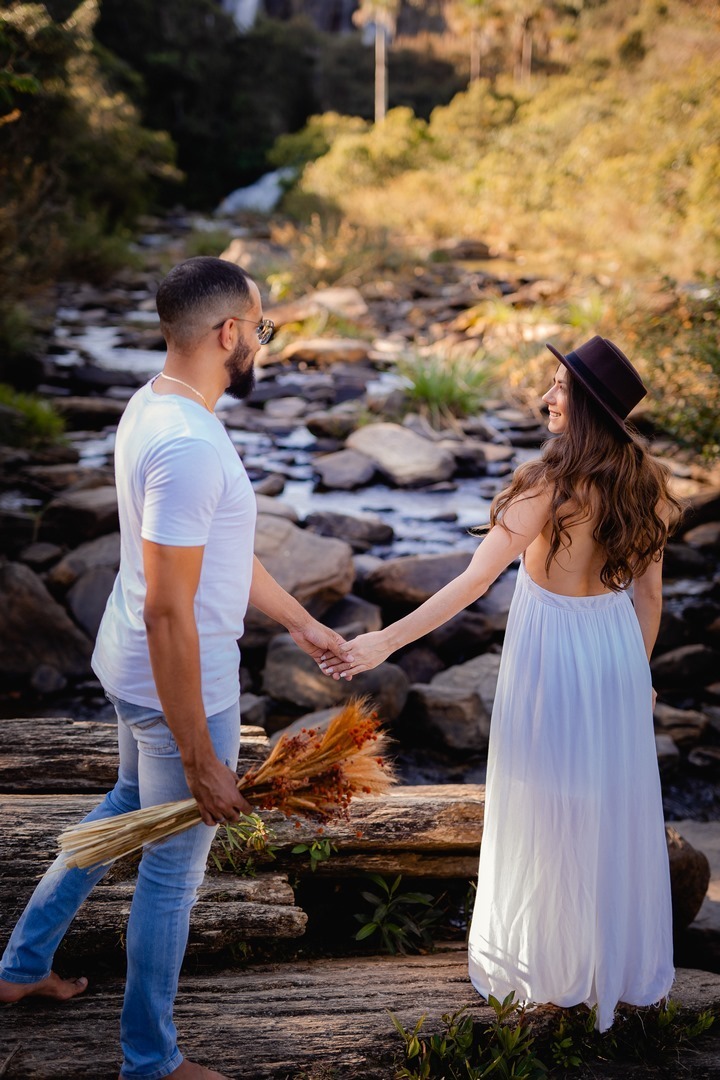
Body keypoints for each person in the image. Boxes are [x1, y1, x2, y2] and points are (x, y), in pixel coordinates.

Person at [0, 257, 347, 1080]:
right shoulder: (190, 444)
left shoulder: (156, 404)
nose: (263, 342)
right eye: (262, 327)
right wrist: (199, 755)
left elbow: (214, 556)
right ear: (229, 333)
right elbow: (170, 608)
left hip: (130, 666)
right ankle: (149, 1061)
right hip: (175, 685)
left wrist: (302, 622)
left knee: (125, 806)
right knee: (171, 873)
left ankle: (18, 968)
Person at [335, 336, 681, 1031]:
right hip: (613, 650)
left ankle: (548, 974)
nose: (546, 397)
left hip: (554, 653)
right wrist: (638, 675)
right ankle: (600, 968)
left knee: (543, 805)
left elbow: (473, 580)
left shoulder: (547, 484)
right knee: (603, 806)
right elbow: (649, 601)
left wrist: (385, 640)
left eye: (561, 387)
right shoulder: (646, 484)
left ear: (589, 408)